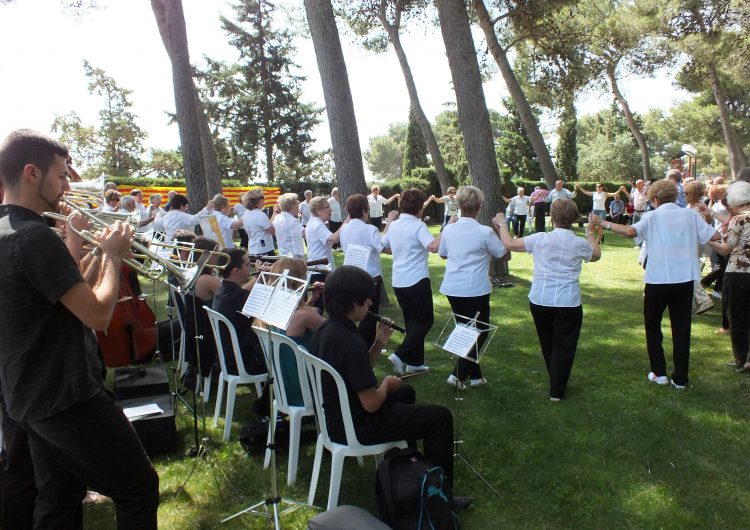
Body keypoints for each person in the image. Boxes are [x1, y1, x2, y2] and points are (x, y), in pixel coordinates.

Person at [0, 129, 159, 528]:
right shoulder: (35, 236)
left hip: (27, 396)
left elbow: (61, 297)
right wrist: (111, 257)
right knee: (138, 488)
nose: (66, 186)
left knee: (58, 498)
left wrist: (74, 247)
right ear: (32, 173)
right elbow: (98, 315)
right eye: (60, 176)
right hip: (65, 395)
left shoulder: (10, 230)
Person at [309, 266, 469, 509]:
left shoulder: (326, 330)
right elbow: (372, 404)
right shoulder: (349, 342)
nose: (371, 302)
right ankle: (440, 494)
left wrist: (378, 344)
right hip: (356, 426)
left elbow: (355, 369)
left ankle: (406, 465)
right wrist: (385, 384)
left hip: (335, 417)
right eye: (367, 299)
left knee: (405, 392)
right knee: (440, 417)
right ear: (353, 303)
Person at [588, 179, 720, 390]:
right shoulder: (690, 215)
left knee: (652, 325)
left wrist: (602, 223)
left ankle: (659, 372)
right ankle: (680, 378)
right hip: (684, 280)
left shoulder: (652, 215)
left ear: (655, 199)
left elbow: (630, 232)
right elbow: (715, 235)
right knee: (681, 329)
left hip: (658, 280)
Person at [497, 199, 600, 401]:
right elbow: (595, 254)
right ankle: (557, 386)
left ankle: (556, 383)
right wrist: (589, 231)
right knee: (564, 345)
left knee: (549, 342)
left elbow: (508, 243)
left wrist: (502, 224)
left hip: (542, 299)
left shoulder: (540, 239)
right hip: (567, 301)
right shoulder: (577, 243)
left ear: (552, 218)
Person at [438, 186, 506, 389]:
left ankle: (475, 377)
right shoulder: (484, 232)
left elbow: (442, 254)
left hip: (453, 287)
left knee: (466, 330)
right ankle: (457, 374)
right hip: (474, 289)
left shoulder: (449, 230)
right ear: (479, 208)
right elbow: (504, 254)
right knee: (480, 331)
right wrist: (499, 228)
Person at [381, 188, 443, 374]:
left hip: (399, 281)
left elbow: (383, 245)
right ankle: (400, 355)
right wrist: (446, 229)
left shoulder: (394, 225)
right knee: (425, 321)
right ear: (419, 207)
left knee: (412, 322)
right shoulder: (418, 226)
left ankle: (415, 363)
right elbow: (432, 247)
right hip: (416, 279)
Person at [706, 181, 750, 371]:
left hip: (738, 273)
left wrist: (707, 241)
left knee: (737, 315)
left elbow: (725, 249)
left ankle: (741, 358)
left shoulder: (738, 219)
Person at [340, 194, 388, 347]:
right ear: (364, 210)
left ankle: (364, 342)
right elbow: (381, 246)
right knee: (370, 313)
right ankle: (365, 346)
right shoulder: (370, 229)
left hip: (351, 274)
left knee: (355, 312)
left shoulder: (345, 228)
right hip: (369, 276)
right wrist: (390, 224)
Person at [211, 248, 267, 376]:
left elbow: (242, 291)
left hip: (229, 358)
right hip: (245, 362)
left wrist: (259, 276)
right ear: (235, 271)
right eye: (247, 265)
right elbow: (267, 317)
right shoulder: (238, 297)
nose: (250, 269)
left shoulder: (223, 290)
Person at [183, 237, 223, 381]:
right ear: (205, 255)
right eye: (215, 253)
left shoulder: (194, 274)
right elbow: (233, 294)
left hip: (198, 329)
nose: (218, 256)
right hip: (209, 331)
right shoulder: (206, 279)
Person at [242, 188, 276, 257]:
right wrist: (275, 212)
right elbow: (273, 231)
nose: (264, 199)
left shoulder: (246, 213)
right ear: (256, 200)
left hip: (253, 249)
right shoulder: (260, 215)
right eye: (262, 197)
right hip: (264, 250)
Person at [273, 192, 305, 259]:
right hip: (294, 256)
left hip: (282, 253)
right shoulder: (293, 221)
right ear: (292, 206)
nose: (298, 206)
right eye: (297, 204)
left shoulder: (277, 217)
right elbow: (304, 234)